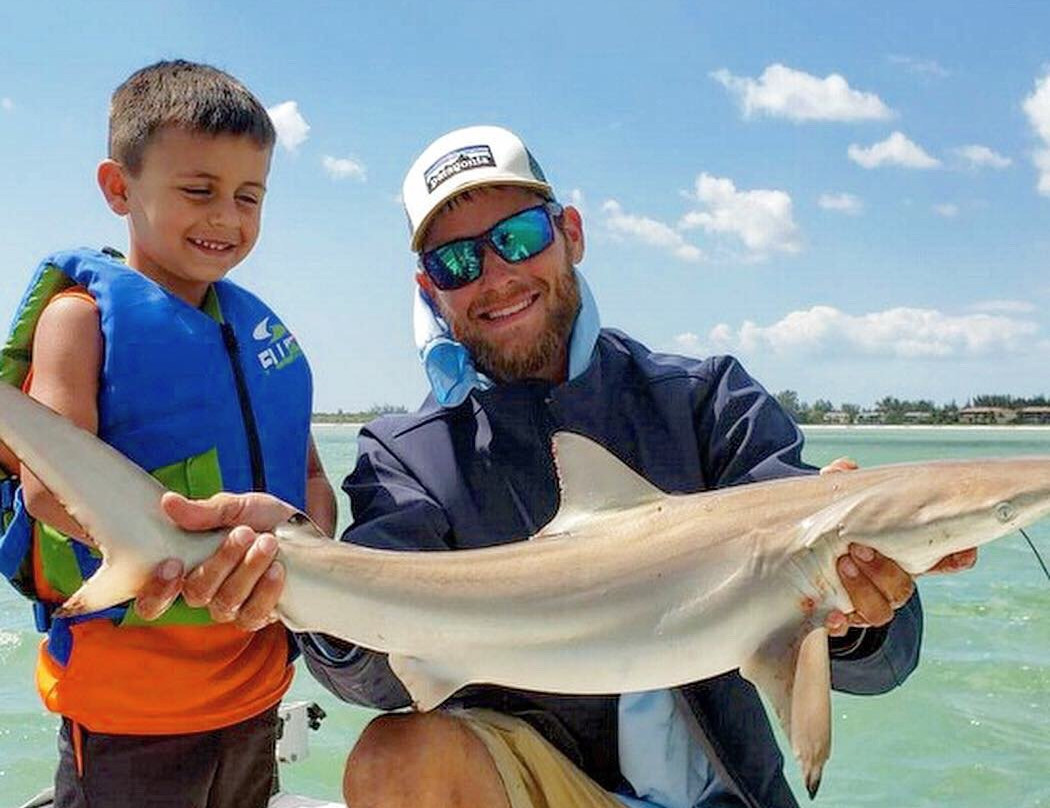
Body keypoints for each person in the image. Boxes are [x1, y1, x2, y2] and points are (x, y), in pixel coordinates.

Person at [140, 125, 977, 808]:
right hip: (541, 786)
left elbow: (884, 663)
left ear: (570, 234)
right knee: (395, 759)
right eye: (457, 261)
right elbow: (378, 680)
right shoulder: (411, 455)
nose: (495, 275)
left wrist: (859, 612)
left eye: (518, 237)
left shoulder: (705, 401)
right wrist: (299, 581)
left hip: (726, 792)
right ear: (430, 290)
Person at [0, 60, 335, 808]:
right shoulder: (80, 320)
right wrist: (179, 544)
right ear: (119, 188)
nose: (227, 218)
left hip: (254, 686)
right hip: (131, 705)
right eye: (198, 191)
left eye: (249, 197)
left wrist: (310, 544)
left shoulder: (265, 337)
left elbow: (310, 478)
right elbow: (48, 485)